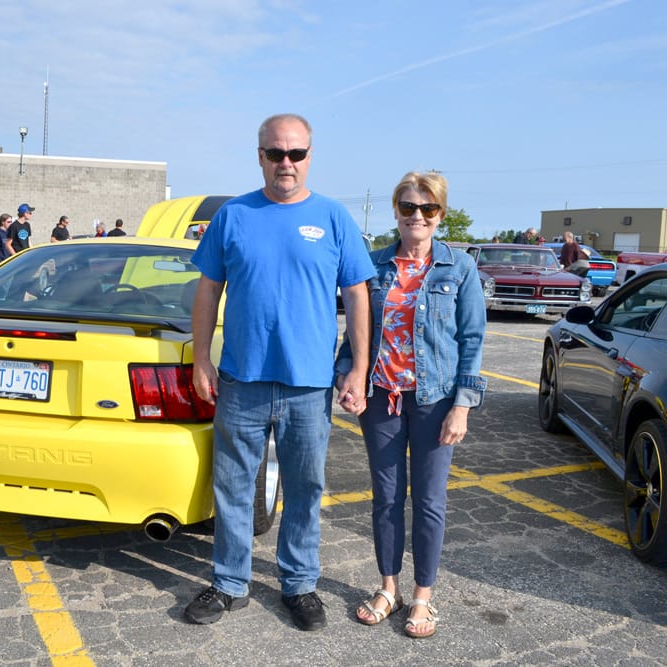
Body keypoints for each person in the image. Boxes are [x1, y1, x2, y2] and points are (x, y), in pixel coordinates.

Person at [183, 113, 375, 632]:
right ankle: (229, 583)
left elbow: (357, 295)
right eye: (275, 153)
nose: (285, 163)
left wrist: (359, 367)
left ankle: (299, 584)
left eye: (296, 153)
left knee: (305, 487)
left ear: (310, 156)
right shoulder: (233, 216)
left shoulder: (334, 218)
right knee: (233, 486)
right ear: (260, 155)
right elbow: (207, 291)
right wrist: (201, 357)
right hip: (241, 379)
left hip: (308, 384)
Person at [336, 171, 487, 639]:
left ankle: (423, 596)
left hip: (435, 401)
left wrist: (462, 405)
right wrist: (346, 376)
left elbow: (472, 339)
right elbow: (355, 333)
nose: (417, 217)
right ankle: (389, 588)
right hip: (382, 398)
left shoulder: (458, 268)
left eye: (428, 209)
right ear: (396, 212)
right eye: (408, 207)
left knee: (429, 501)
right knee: (385, 497)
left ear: (440, 214)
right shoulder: (373, 265)